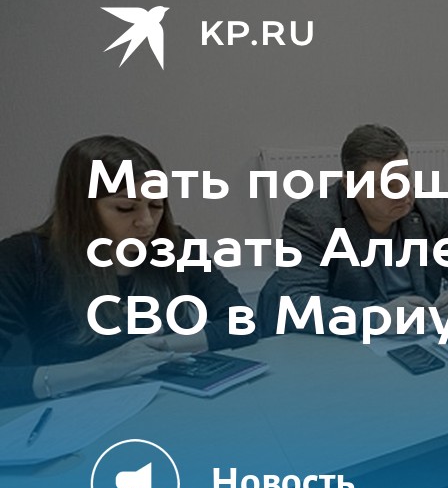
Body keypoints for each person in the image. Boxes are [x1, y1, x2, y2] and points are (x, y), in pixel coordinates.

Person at [0, 136, 258, 406]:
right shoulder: (24, 257)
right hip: (75, 408)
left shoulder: (174, 243)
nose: (146, 223)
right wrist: (100, 368)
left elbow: (242, 323)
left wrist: (156, 350)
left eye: (156, 205)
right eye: (126, 208)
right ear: (82, 208)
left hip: (169, 401)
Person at [267, 124, 448, 334]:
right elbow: (298, 303)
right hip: (354, 343)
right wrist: (375, 318)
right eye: (386, 186)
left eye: (405, 178)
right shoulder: (311, 219)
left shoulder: (432, 208)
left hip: (424, 334)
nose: (404, 193)